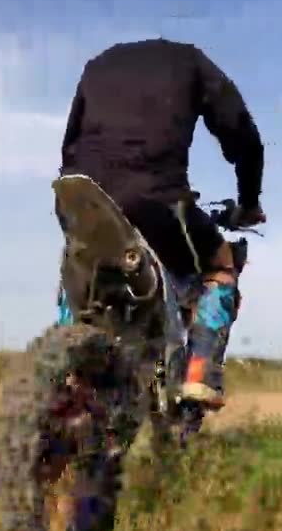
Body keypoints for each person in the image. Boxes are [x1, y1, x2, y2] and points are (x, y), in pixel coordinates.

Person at [57, 37, 266, 409]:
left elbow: (70, 142)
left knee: (80, 262)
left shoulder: (97, 64)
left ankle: (62, 353)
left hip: (81, 195)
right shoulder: (192, 61)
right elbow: (241, 135)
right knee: (221, 264)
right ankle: (201, 367)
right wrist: (248, 203)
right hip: (158, 202)